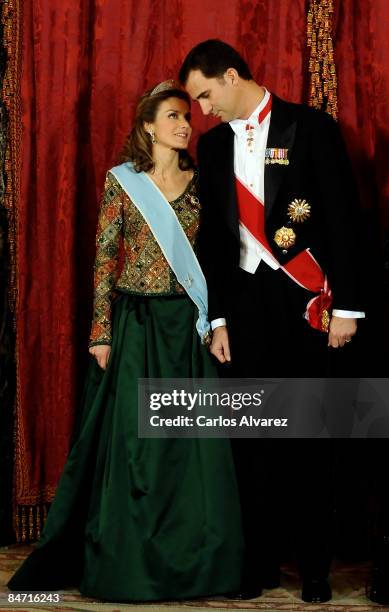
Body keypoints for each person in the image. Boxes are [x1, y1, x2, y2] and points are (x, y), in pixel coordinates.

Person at [7, 80, 244, 602]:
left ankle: (196, 563)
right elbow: (104, 257)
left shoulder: (204, 181)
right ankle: (132, 560)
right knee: (138, 446)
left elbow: (217, 260)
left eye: (188, 116)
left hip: (187, 326)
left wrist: (217, 321)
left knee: (191, 448)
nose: (185, 124)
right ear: (148, 126)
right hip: (135, 324)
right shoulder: (124, 182)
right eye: (174, 117)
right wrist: (99, 331)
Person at [179, 40, 365, 603]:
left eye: (205, 94)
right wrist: (216, 319)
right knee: (251, 437)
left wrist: (348, 308)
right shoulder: (211, 150)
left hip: (306, 303)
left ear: (232, 76)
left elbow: (343, 218)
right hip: (244, 305)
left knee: (310, 435)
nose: (202, 110)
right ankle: (259, 559)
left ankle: (314, 567)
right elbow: (212, 240)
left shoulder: (310, 129)